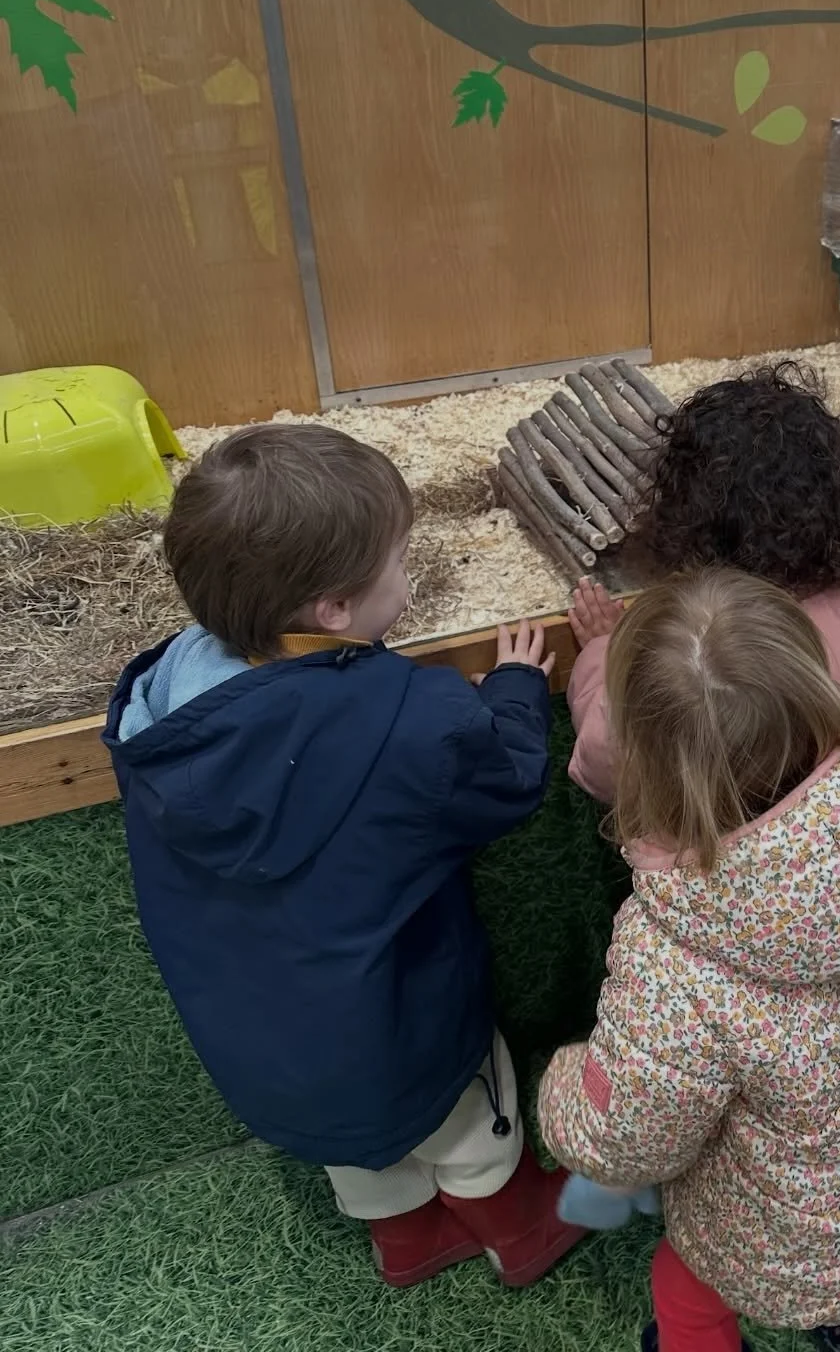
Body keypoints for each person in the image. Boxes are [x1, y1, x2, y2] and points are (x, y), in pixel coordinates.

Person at [102, 424, 585, 1288]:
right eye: (400, 560)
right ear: (332, 608)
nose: (408, 573)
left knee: (359, 1148)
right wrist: (513, 692)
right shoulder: (411, 717)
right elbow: (502, 783)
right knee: (465, 1119)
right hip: (403, 1024)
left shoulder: (162, 699)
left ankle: (408, 1242)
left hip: (261, 1044)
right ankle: (520, 1231)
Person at [538, 568, 840, 1352]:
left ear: (646, 760)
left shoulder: (674, 953)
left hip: (773, 1238)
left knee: (688, 1286)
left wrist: (565, 1085)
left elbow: (627, 1139)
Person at [566, 361, 840, 839]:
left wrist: (602, 656)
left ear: (689, 520)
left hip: (785, 908)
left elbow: (608, 764)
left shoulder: (707, 656)